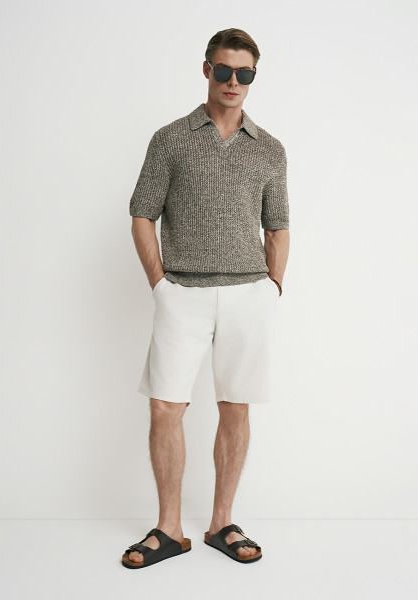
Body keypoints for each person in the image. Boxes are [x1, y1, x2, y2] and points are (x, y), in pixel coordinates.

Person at [122, 27, 290, 569]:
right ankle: (168, 528)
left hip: (248, 294)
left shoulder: (270, 148)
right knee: (165, 406)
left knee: (235, 407)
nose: (232, 81)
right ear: (206, 70)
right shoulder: (170, 139)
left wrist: (272, 286)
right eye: (223, 69)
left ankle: (221, 523)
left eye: (244, 73)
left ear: (253, 76)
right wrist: (160, 284)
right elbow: (142, 214)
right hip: (183, 293)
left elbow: (277, 226)